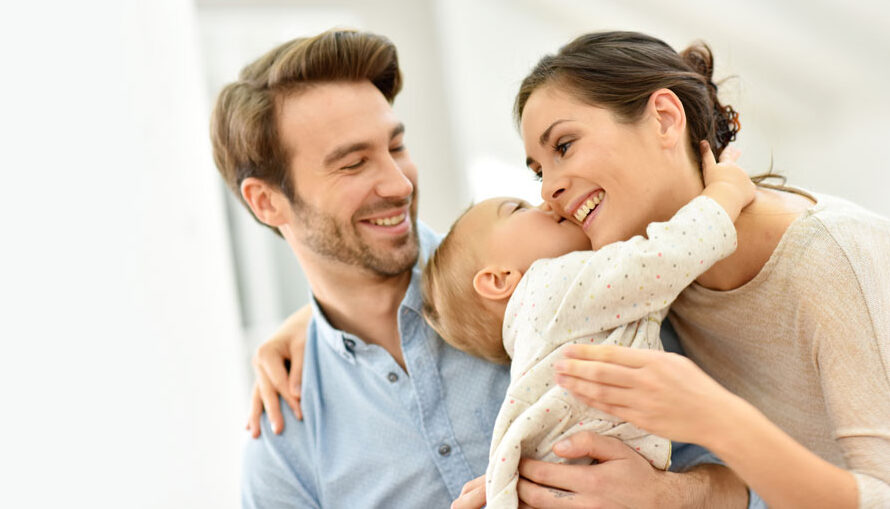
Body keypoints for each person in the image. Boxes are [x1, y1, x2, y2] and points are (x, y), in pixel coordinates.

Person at [215, 29, 753, 507]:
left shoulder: (563, 272)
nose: (399, 185)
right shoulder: (287, 436)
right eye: (354, 163)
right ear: (267, 203)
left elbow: (756, 474)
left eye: (396, 146)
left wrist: (672, 497)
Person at [507, 31, 890, 508]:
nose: (547, 193)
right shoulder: (651, 283)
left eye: (564, 145)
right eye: (539, 171)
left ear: (665, 120)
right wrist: (525, 478)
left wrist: (718, 419)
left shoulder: (832, 256)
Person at [421, 147, 755, 508]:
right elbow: (664, 257)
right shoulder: (548, 288)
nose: (546, 203)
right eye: (518, 209)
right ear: (499, 280)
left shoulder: (549, 330)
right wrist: (725, 194)